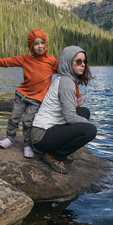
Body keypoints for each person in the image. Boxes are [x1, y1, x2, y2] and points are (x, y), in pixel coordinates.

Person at [0, 29, 58, 158]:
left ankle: (27, 145)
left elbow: (64, 72)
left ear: (46, 44)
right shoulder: (26, 59)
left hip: (37, 99)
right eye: (36, 44)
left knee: (28, 122)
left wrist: (78, 75)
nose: (40, 46)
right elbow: (9, 61)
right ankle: (9, 139)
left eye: (42, 43)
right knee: (14, 117)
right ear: (31, 46)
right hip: (22, 95)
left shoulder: (51, 61)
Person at [31, 45, 97, 174]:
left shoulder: (64, 78)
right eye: (78, 61)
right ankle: (54, 155)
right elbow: (70, 118)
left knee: (84, 112)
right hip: (41, 135)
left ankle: (56, 149)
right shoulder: (67, 82)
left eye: (84, 61)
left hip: (47, 129)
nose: (83, 65)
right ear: (68, 62)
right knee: (90, 130)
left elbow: (61, 110)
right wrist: (89, 124)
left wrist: (74, 107)